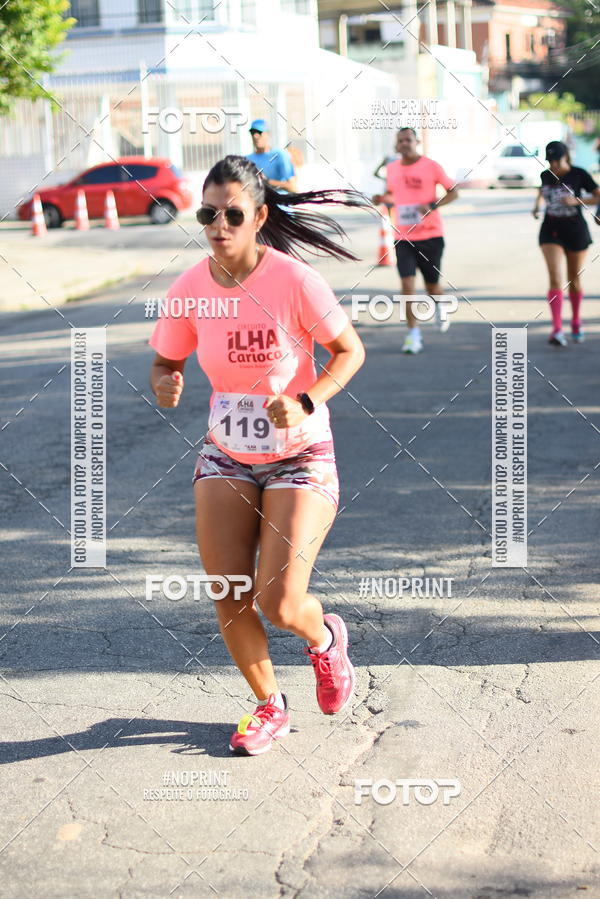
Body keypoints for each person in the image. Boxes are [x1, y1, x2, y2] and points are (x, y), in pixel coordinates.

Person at [149, 155, 367, 756]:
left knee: (279, 601)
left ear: (259, 216)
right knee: (229, 588)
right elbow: (166, 361)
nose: (219, 223)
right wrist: (166, 381)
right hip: (227, 453)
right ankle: (270, 705)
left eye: (233, 213)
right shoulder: (188, 289)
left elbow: (348, 352)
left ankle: (323, 638)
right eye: (208, 213)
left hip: (299, 455)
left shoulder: (295, 281)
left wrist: (306, 398)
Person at [373, 128, 459, 354]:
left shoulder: (431, 166)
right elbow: (393, 196)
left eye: (408, 140)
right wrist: (381, 199)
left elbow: (453, 192)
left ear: (416, 142)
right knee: (407, 286)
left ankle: (439, 304)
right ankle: (413, 335)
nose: (404, 144)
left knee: (432, 286)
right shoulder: (391, 169)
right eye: (400, 140)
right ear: (396, 145)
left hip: (431, 235)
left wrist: (432, 206)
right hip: (403, 236)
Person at [532, 140, 600, 345]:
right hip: (550, 229)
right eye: (550, 161)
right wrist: (536, 205)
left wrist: (577, 201)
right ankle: (557, 329)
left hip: (575, 230)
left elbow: (598, 196)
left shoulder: (579, 174)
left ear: (566, 157)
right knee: (555, 278)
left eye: (556, 160)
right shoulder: (546, 175)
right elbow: (541, 192)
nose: (553, 165)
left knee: (574, 280)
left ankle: (576, 321)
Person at [246, 119, 297, 193]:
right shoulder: (247, 159)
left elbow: (293, 187)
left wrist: (266, 182)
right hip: (259, 203)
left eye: (259, 132)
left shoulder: (279, 155)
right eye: (252, 132)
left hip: (279, 203)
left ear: (268, 134)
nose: (255, 136)